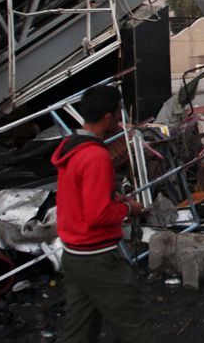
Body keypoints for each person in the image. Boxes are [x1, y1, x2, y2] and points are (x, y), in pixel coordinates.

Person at [51, 85, 155, 342]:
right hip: (97, 258)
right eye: (118, 113)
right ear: (108, 117)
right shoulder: (95, 156)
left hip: (73, 255)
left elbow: (79, 197)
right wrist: (129, 208)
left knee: (79, 330)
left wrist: (115, 198)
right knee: (136, 325)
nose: (120, 119)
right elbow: (98, 215)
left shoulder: (71, 147)